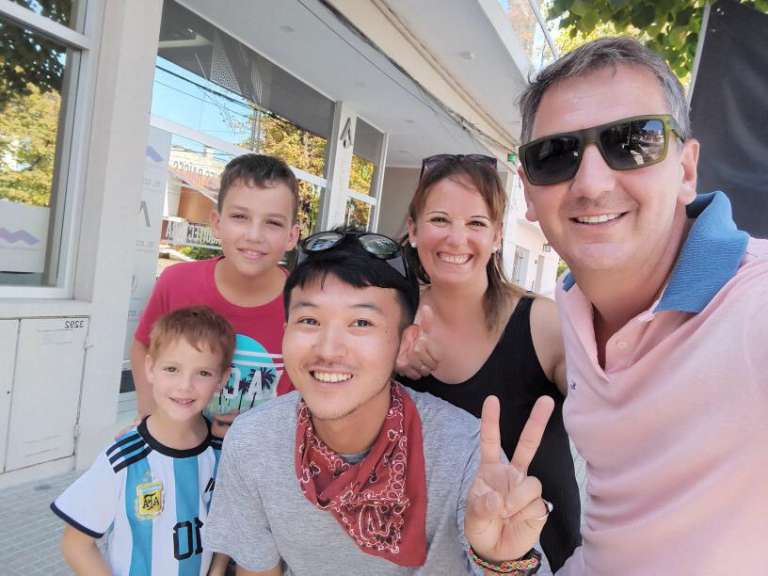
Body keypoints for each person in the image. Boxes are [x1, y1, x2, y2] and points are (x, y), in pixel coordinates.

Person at [516, 36, 768, 574]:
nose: (590, 183)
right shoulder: (571, 306)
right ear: (528, 192)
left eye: (633, 142)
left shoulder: (753, 304)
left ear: (686, 169)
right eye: (555, 155)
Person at [205, 228, 555, 575]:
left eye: (361, 322)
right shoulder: (254, 442)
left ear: (405, 344)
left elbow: (506, 555)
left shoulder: (463, 451)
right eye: (309, 320)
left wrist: (499, 562)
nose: (328, 349)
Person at [397, 154, 581, 571]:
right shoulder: (389, 322)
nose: (456, 238)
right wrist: (385, 362)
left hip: (537, 561)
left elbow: (613, 405)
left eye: (476, 223)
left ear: (497, 236)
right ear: (413, 229)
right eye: (440, 219)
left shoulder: (543, 324)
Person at [51, 306, 235, 575]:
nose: (185, 385)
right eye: (172, 369)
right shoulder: (124, 458)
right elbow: (75, 545)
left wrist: (217, 569)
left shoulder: (222, 450)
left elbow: (227, 518)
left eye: (203, 373)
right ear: (150, 368)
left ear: (222, 378)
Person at [131, 153, 300, 438]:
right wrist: (151, 419)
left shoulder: (303, 303)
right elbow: (143, 345)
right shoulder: (177, 283)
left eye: (273, 222)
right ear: (217, 223)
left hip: (262, 454)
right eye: (240, 217)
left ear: (292, 236)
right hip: (183, 449)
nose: (254, 235)